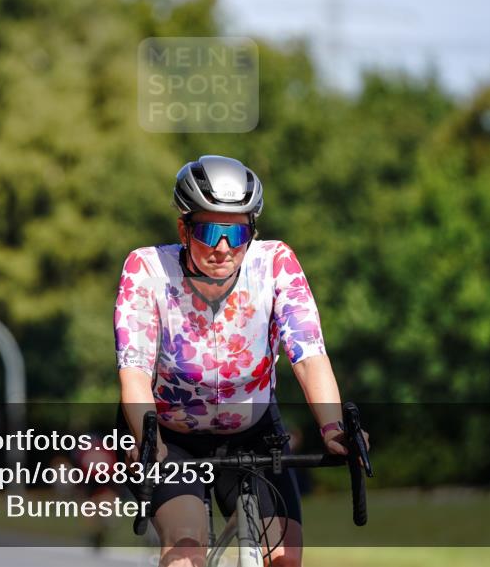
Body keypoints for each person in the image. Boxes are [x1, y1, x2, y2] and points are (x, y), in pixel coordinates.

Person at [115, 155, 369, 567]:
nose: (222, 248)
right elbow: (134, 370)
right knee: (186, 549)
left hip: (253, 430)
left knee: (285, 555)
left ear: (252, 231)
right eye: (209, 230)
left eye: (236, 232)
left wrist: (333, 426)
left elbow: (308, 355)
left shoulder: (275, 265)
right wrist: (151, 445)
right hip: (170, 435)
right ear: (183, 228)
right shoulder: (146, 271)